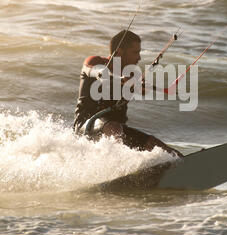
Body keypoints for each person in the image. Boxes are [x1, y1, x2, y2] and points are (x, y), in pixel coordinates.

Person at [73, 29, 183, 158]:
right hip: (86, 126)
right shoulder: (94, 62)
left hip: (117, 130)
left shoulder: (131, 75)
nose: (139, 57)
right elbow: (98, 73)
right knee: (114, 129)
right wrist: (121, 80)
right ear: (119, 52)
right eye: (135, 52)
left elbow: (143, 89)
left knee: (161, 149)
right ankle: (117, 168)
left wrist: (165, 90)